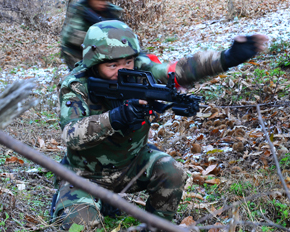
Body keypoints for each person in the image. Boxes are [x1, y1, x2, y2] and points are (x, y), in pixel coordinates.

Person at [52, 19, 268, 229]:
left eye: (127, 62)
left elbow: (177, 71)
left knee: (173, 172)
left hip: (131, 165)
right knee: (80, 224)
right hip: (84, 174)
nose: (123, 70)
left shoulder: (140, 69)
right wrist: (116, 117)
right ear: (94, 63)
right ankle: (74, 200)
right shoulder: (76, 85)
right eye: (112, 65)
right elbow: (71, 135)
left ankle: (156, 226)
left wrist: (226, 58)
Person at [60, 0, 123, 70]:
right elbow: (74, 38)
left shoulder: (112, 11)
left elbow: (122, 33)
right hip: (77, 52)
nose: (102, 2)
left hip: (104, 51)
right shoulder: (80, 9)